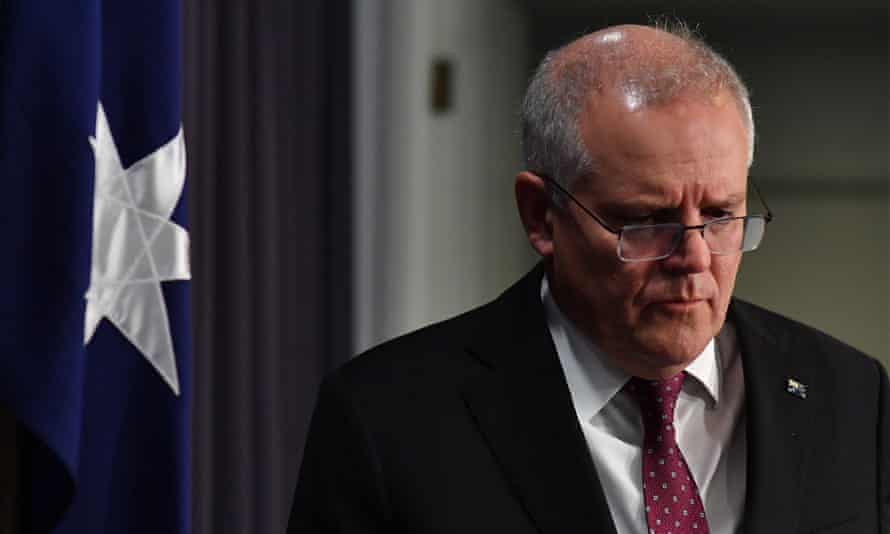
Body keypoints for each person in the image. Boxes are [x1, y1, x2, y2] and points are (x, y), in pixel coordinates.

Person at [289, 22, 889, 534]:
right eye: (648, 221)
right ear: (541, 216)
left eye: (720, 215)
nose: (695, 257)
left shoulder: (851, 396)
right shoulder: (387, 420)